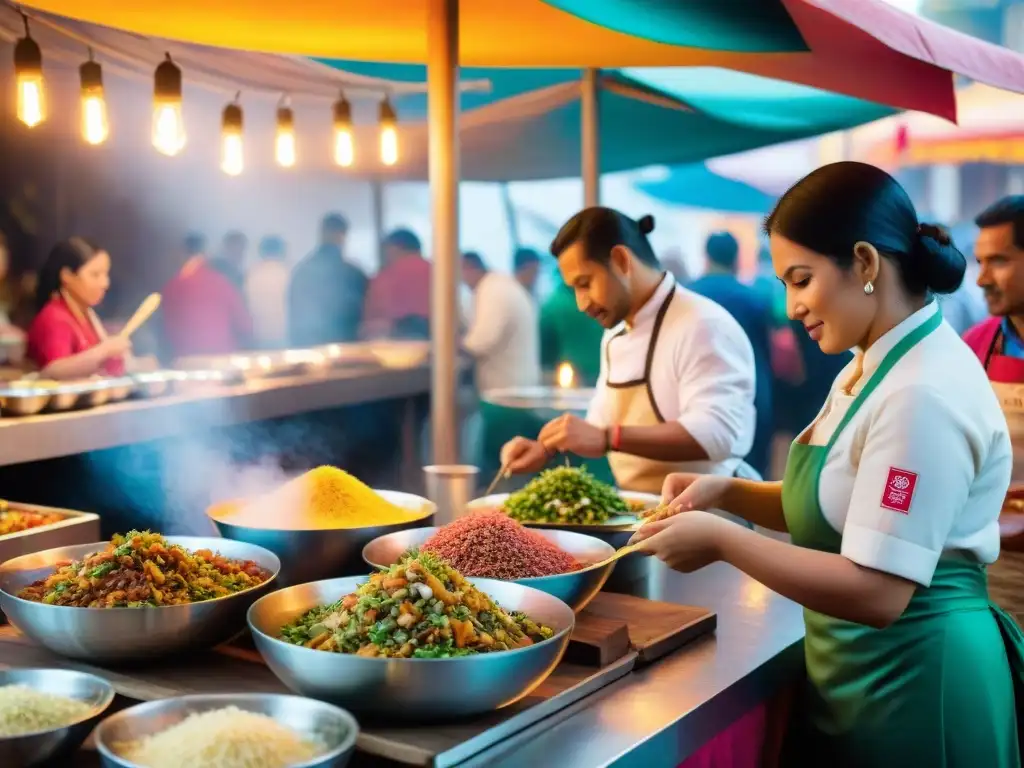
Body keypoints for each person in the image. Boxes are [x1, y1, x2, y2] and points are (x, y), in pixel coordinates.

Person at [633, 162, 1021, 766]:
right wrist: (725, 493)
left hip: (919, 682)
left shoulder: (922, 393)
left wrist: (723, 542)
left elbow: (878, 591)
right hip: (858, 678)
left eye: (802, 280)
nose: (789, 307)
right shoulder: (871, 359)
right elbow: (844, 504)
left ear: (864, 264)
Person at [501, 208, 757, 495]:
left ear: (622, 260)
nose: (581, 303)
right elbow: (598, 425)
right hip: (640, 510)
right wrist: (544, 447)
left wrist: (609, 437)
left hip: (710, 512)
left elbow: (716, 434)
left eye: (585, 284)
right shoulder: (613, 336)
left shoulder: (703, 323)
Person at [962, 196, 1024, 625]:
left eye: (998, 261)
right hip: (992, 568)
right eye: (979, 261)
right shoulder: (975, 346)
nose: (981, 278)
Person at [689, 231, 774, 477]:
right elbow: (767, 352)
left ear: (706, 256)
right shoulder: (753, 298)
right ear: (736, 257)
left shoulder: (689, 294)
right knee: (751, 475)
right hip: (752, 393)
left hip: (701, 396)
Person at [26, 237, 130, 378]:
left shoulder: (86, 314)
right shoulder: (54, 317)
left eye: (106, 274)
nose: (105, 283)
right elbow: (53, 371)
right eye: (95, 275)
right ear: (67, 276)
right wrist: (104, 350)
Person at [161, 233, 252, 360]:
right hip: (221, 358)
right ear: (204, 253)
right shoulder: (220, 282)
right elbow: (245, 325)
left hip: (186, 361)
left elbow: (165, 331)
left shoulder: (171, 287)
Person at [461, 251, 540, 392]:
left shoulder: (493, 290)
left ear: (469, 268)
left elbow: (481, 341)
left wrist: (450, 347)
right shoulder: (500, 286)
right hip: (516, 384)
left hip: (508, 388)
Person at [289, 213, 367, 346]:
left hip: (309, 347)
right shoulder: (352, 274)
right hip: (346, 348)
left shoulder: (302, 272)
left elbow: (295, 316)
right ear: (342, 235)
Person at [362, 228, 431, 340]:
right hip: (437, 348)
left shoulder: (384, 278)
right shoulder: (438, 274)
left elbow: (370, 322)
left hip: (394, 349)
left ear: (393, 249)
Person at [539, 281, 603, 386]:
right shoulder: (604, 298)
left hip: (570, 377)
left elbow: (545, 353)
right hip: (604, 374)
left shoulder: (553, 304)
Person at [245, 235, 290, 349]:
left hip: (259, 335)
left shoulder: (252, 274)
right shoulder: (287, 274)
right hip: (283, 334)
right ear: (282, 251)